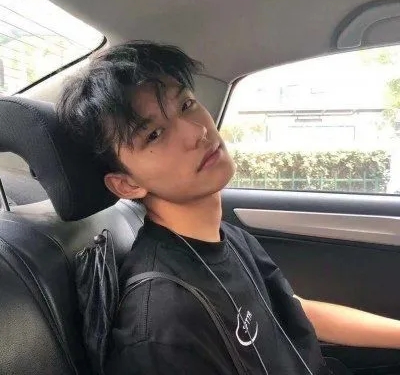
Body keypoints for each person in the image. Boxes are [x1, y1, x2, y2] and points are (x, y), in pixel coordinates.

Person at [57, 41, 400, 375]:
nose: (197, 131)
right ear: (128, 184)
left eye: (186, 105)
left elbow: (293, 311)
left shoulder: (228, 238)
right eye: (154, 135)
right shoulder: (162, 325)